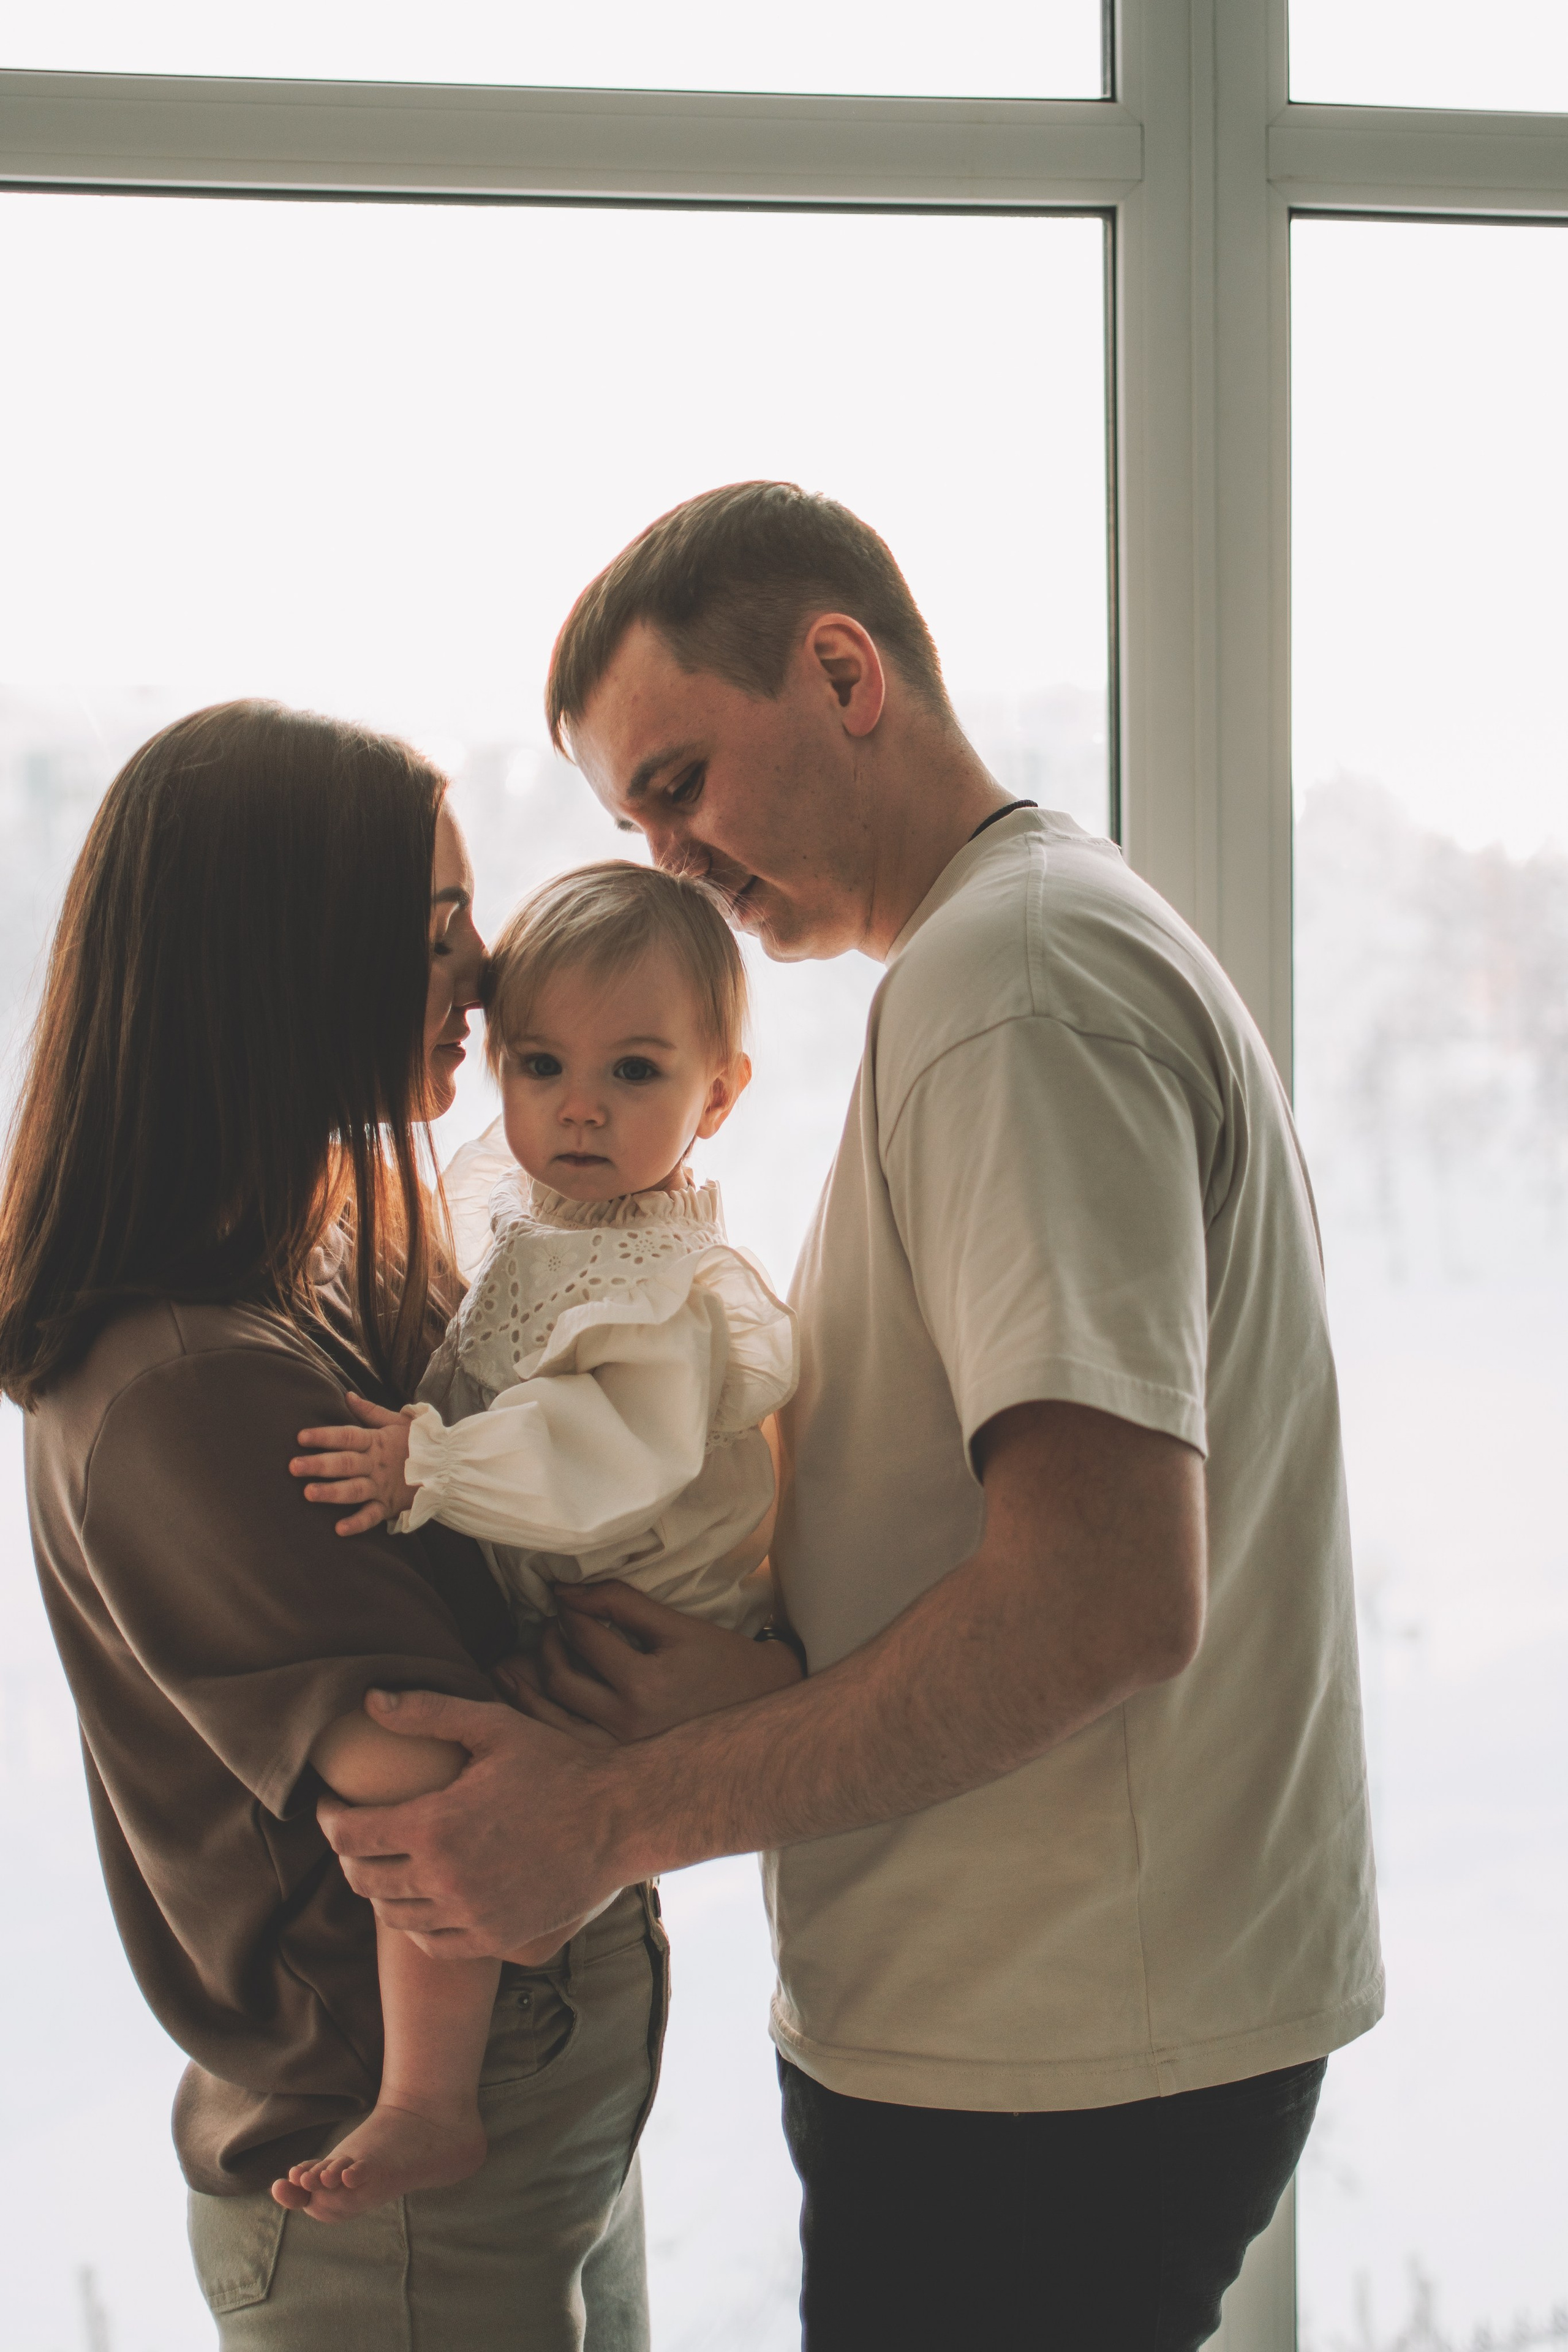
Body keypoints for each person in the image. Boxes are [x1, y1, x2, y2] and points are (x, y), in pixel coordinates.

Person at [319, 484, 1385, 2351]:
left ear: (840, 670)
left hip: (1051, 2059)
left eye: (678, 781)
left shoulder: (1015, 991)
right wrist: (767, 1683)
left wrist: (617, 1815)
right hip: (1060, 2030)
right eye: (631, 820)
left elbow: (1107, 1600)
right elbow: (1016, 1558)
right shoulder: (1028, 955)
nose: (667, 856)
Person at [0, 701, 785, 2351]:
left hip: (529, 2123)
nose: (490, 969)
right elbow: (453, 1812)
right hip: (412, 2185)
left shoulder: (334, 1255)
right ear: (288, 963)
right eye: (438, 930)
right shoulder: (187, 1391)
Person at [276, 859, 799, 2221]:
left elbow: (601, 1462)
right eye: (538, 1062)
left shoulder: (657, 1284)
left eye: (634, 1073)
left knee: (446, 1809)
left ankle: (427, 2101)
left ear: (718, 1096)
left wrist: (428, 1466)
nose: (576, 1107)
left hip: (646, 1614)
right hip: (565, 1596)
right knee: (437, 1789)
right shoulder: (536, 1213)